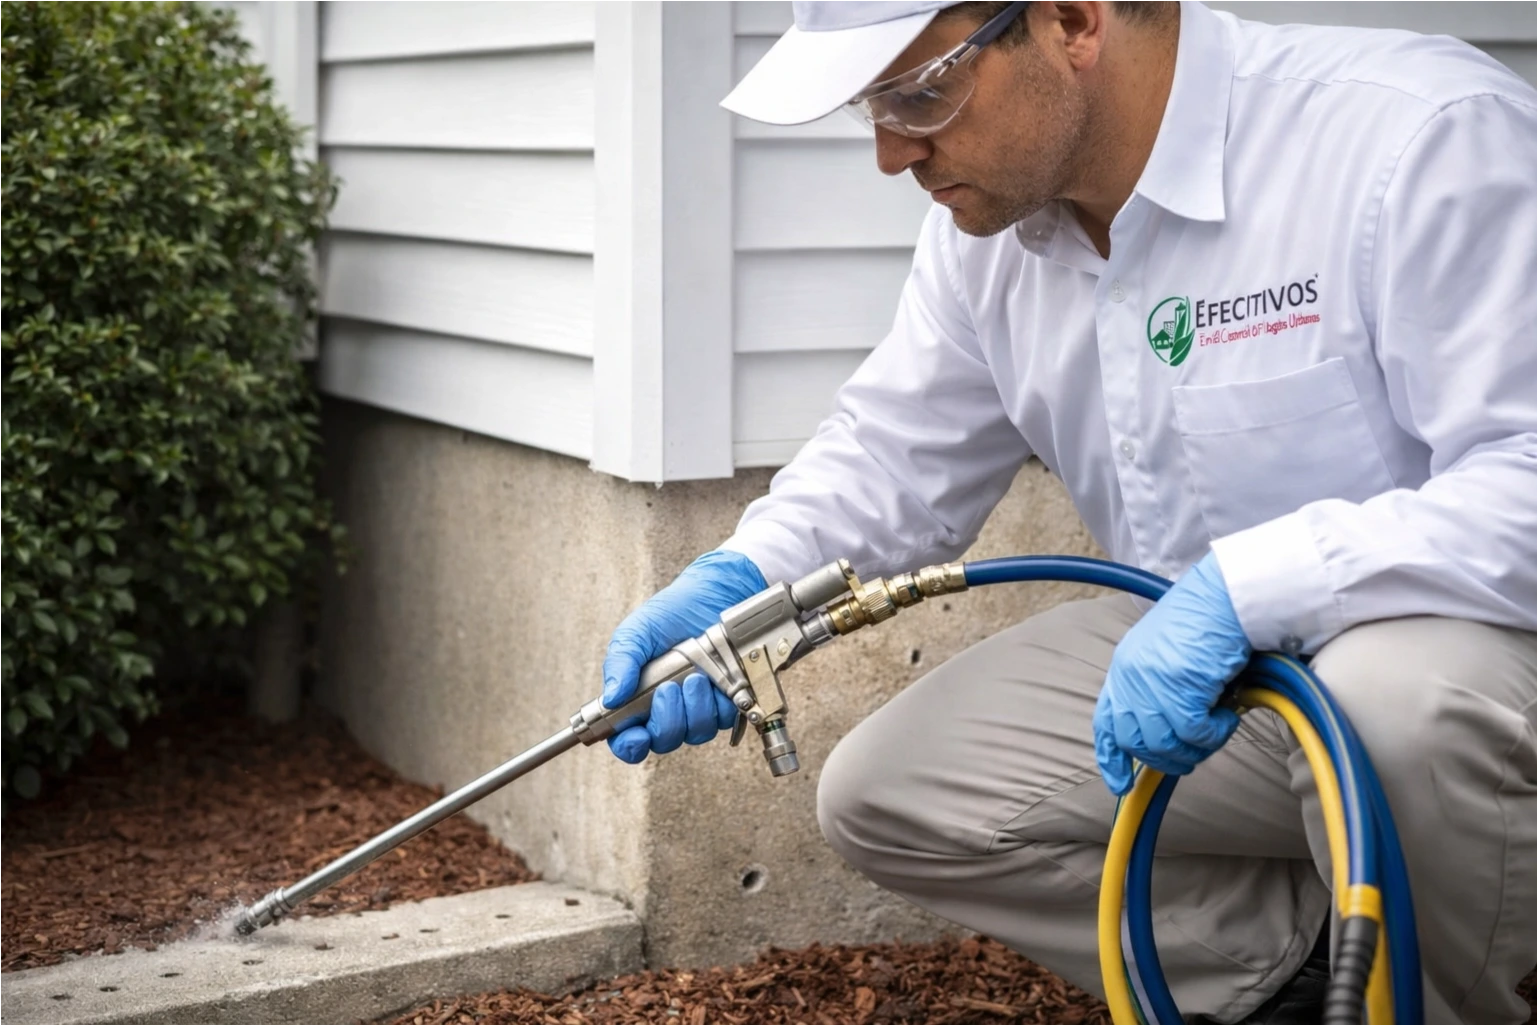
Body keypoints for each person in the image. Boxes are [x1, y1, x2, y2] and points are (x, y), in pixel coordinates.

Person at [599, 1, 1537, 1022]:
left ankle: (1447, 998)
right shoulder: (994, 230)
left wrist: (1250, 584)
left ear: (1071, 19)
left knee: (1389, 709)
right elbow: (892, 452)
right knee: (890, 792)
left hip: (1459, 657)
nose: (888, 151)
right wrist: (745, 582)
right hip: (1202, 651)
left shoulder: (1414, 140)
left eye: (918, 92)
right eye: (870, 104)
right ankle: (1291, 981)